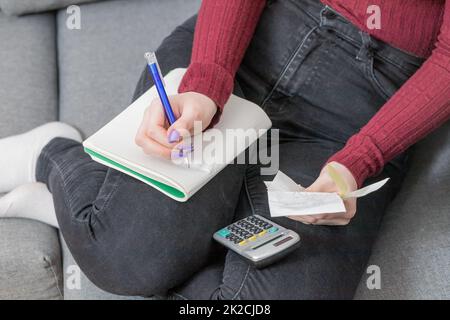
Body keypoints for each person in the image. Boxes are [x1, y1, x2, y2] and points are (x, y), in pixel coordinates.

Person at [0, 0, 449, 299]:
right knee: (124, 263)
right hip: (247, 51)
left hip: (356, 115)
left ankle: (132, 218)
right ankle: (52, 154)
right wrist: (207, 84)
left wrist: (357, 163)